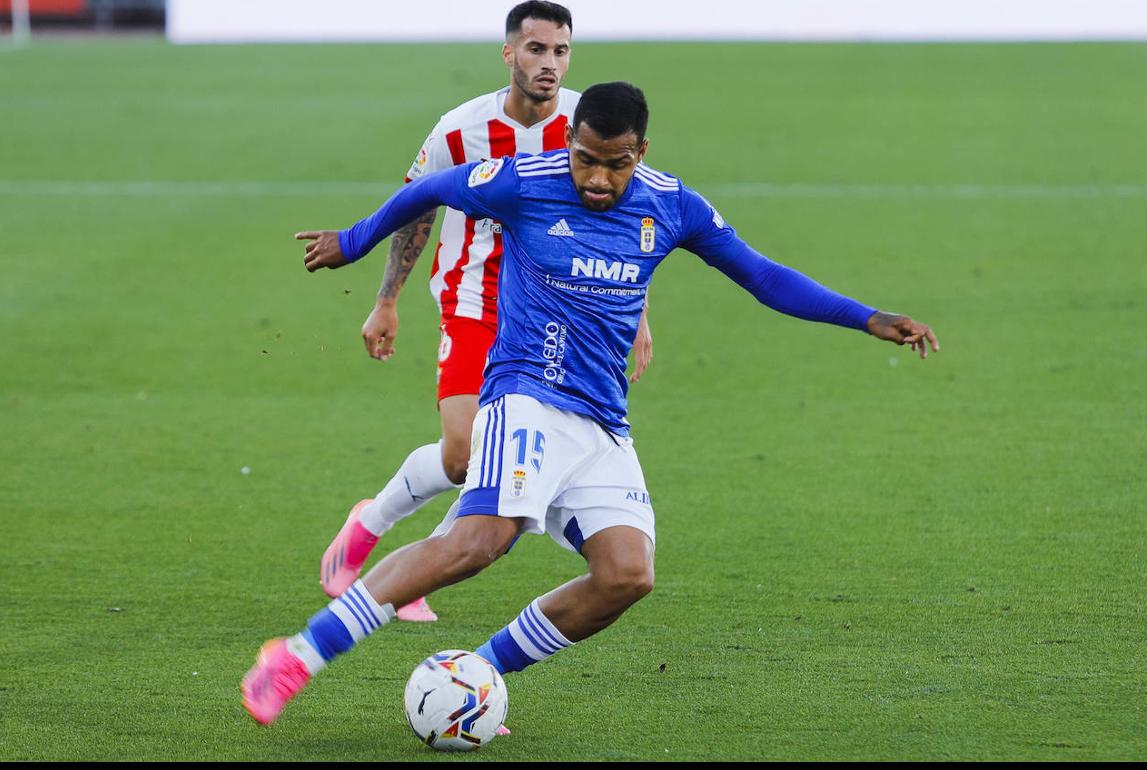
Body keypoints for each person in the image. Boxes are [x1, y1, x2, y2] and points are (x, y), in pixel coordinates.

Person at [243, 81, 938, 726]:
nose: (598, 180)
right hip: (525, 395)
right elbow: (428, 189)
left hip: (603, 421)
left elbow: (761, 275)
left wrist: (866, 317)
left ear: (641, 154)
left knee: (626, 576)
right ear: (567, 141)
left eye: (616, 164)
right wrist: (355, 242)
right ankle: (297, 656)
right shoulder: (523, 182)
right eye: (585, 160)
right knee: (478, 543)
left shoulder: (672, 204)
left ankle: (478, 674)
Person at [318, 1, 655, 623]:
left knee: (469, 460)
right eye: (535, 49)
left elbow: (632, 218)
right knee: (462, 453)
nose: (549, 63)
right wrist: (385, 299)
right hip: (475, 300)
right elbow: (415, 207)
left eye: (560, 51)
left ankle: (413, 553)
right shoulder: (458, 130)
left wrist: (634, 313)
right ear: (509, 54)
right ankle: (374, 525)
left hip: (561, 308)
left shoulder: (591, 127)